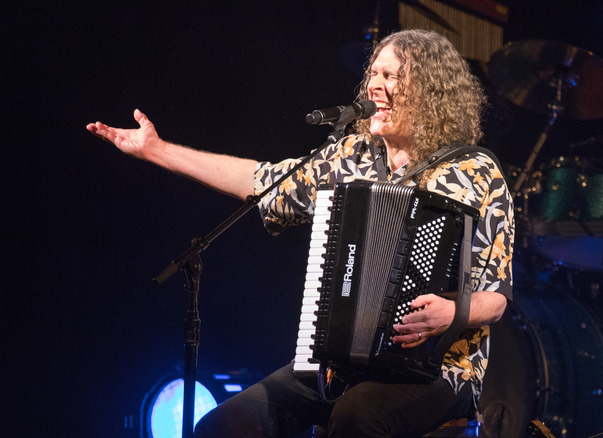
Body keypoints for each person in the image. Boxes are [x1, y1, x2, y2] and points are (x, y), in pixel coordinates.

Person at [87, 29, 514, 438]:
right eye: (374, 75)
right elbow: (263, 182)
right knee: (222, 427)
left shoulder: (475, 172)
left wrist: (452, 312)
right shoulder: (350, 156)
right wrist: (157, 150)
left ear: (432, 92)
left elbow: (496, 295)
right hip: (334, 368)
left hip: (440, 372)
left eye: (393, 77)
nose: (375, 88)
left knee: (356, 416)